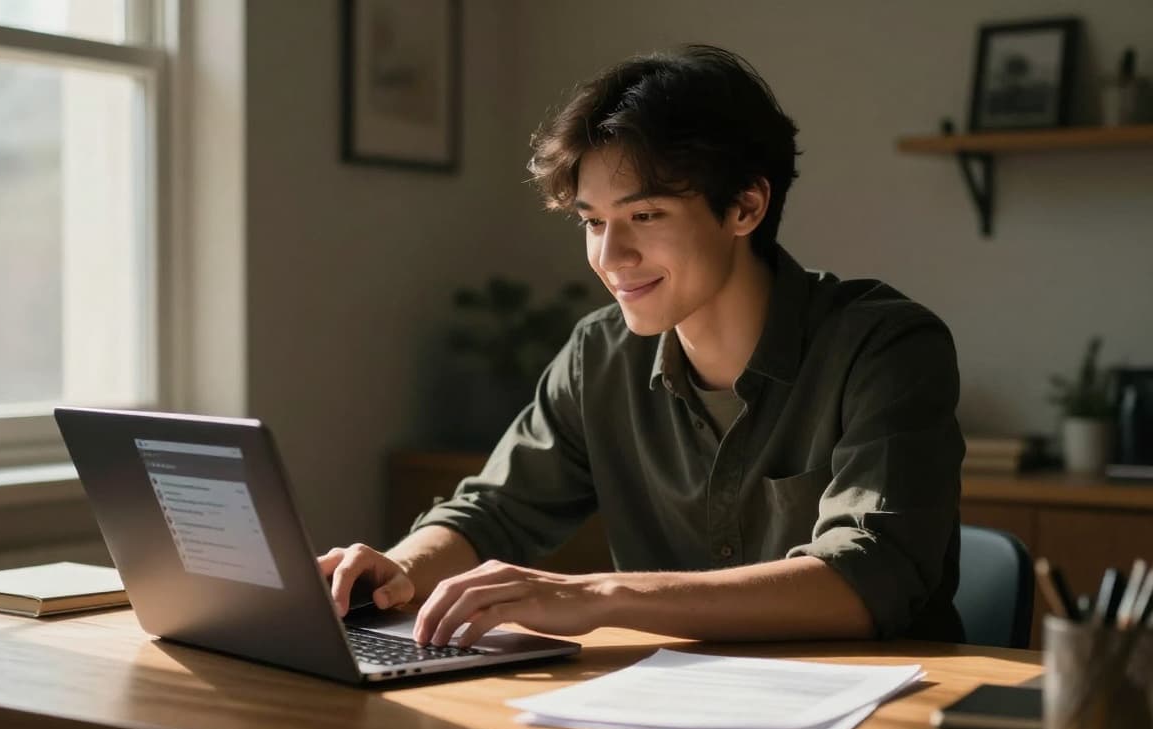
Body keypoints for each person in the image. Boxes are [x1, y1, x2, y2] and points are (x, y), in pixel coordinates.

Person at [319, 44, 965, 648]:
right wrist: (396, 570)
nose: (610, 256)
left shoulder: (883, 345)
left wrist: (601, 594)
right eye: (592, 221)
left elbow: (869, 577)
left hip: (878, 710)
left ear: (745, 207)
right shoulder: (597, 354)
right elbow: (494, 510)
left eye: (645, 216)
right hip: (668, 702)